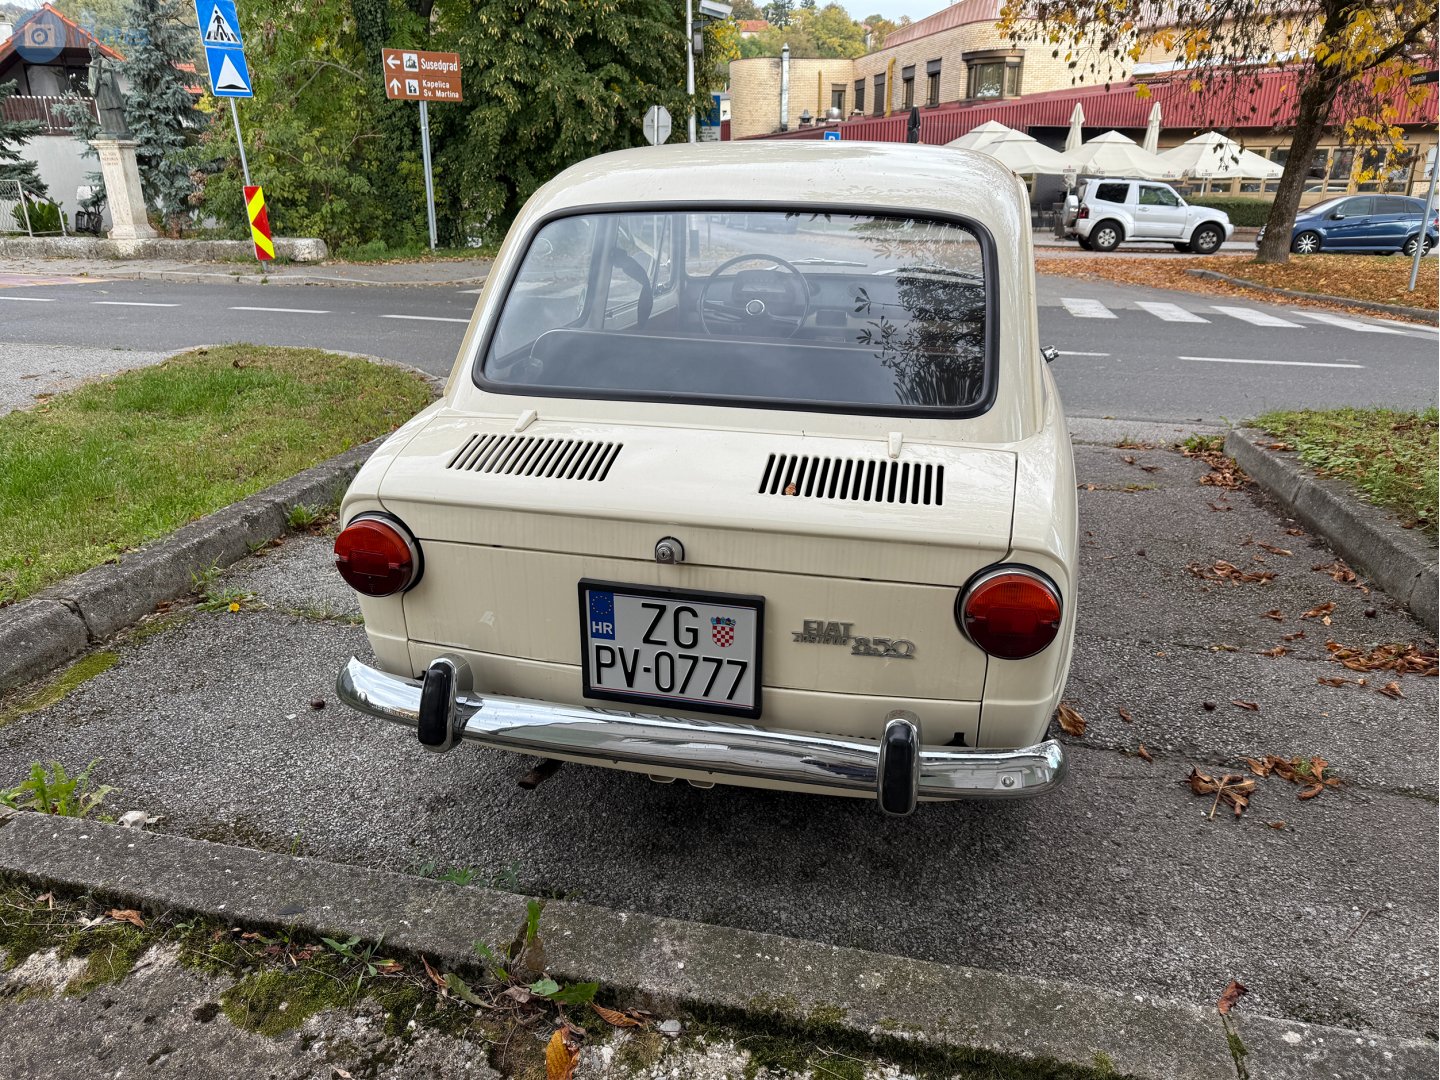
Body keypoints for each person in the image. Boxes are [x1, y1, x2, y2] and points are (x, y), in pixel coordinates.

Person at [88, 42, 129, 138]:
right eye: (91, 51)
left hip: (107, 91)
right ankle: (106, 129)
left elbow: (109, 77)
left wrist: (101, 78)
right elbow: (91, 80)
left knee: (113, 107)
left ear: (97, 50)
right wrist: (92, 87)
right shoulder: (91, 64)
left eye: (94, 50)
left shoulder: (104, 62)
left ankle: (121, 130)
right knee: (103, 109)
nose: (93, 52)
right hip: (99, 92)